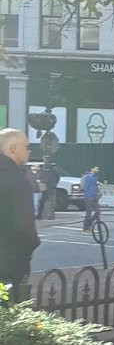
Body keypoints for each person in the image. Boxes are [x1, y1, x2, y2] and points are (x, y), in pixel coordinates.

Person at [0, 128, 40, 302]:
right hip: (11, 260)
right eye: (26, 146)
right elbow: (24, 224)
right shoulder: (17, 181)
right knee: (11, 309)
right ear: (14, 148)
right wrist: (31, 245)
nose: (28, 151)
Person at [81, 165, 100, 232]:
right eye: (96, 169)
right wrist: (89, 197)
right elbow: (86, 188)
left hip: (94, 197)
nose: (98, 170)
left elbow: (94, 187)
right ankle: (85, 228)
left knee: (98, 212)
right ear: (92, 169)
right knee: (88, 213)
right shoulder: (89, 177)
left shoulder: (94, 177)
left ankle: (89, 223)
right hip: (89, 198)